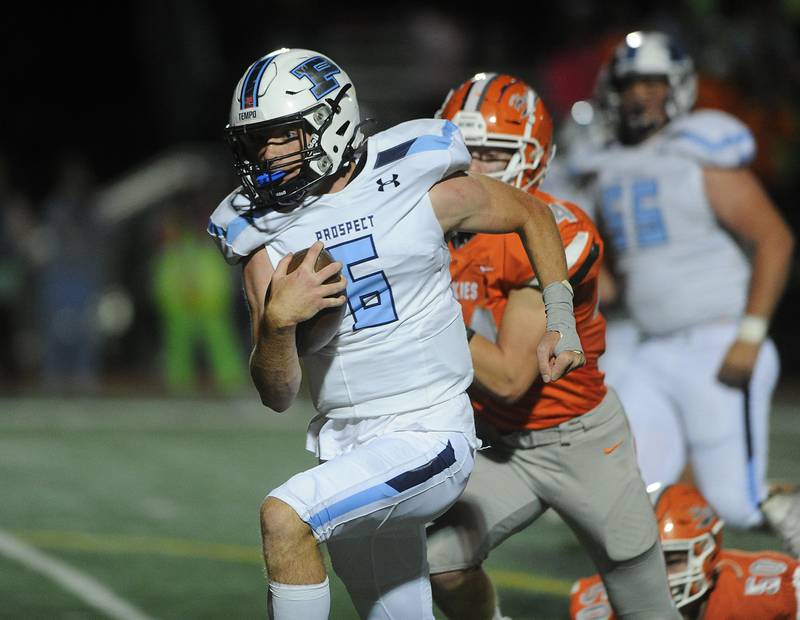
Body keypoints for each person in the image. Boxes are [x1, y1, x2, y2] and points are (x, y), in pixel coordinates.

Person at [207, 48, 585, 619]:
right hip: (344, 444)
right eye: (257, 139)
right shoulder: (265, 239)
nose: (268, 153)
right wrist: (280, 324)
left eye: (284, 134)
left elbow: (531, 213)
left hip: (429, 429)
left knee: (285, 517)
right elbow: (277, 393)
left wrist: (561, 317)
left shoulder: (410, 179)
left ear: (330, 122)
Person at [425, 73, 678, 620]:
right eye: (467, 152)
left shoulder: (551, 231)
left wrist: (415, 309)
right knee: (440, 563)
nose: (475, 168)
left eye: (493, 152)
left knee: (646, 608)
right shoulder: (429, 224)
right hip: (497, 445)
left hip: (579, 442)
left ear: (533, 157)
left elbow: (512, 377)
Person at [571, 31, 798, 554]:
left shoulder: (700, 150)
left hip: (717, 341)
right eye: (631, 83)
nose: (641, 95)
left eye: (654, 82)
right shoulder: (607, 167)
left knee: (736, 501)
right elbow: (623, 275)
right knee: (634, 488)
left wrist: (751, 334)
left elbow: (774, 240)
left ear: (678, 87)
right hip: (654, 348)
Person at [570, 483, 800, 620]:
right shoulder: (595, 606)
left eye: (671, 560)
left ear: (708, 555)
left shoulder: (773, 588)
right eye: (640, 562)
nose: (653, 577)